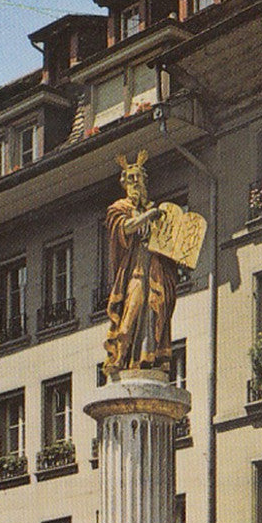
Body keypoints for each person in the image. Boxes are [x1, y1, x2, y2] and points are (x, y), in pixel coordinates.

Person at [103, 150, 180, 374]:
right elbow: (125, 228)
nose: (136, 183)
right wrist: (148, 216)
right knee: (130, 314)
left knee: (154, 313)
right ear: (124, 183)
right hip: (135, 269)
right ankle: (119, 358)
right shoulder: (118, 209)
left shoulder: (154, 210)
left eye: (139, 179)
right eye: (131, 179)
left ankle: (149, 359)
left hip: (155, 271)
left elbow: (168, 244)